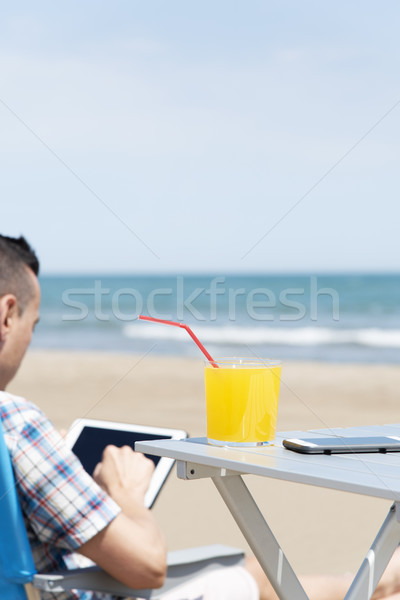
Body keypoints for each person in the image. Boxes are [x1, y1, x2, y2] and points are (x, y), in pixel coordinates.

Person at [1, 233, 399, 600]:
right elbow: (147, 567)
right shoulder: (17, 424)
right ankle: (378, 585)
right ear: (7, 315)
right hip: (75, 591)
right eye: (31, 326)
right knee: (238, 578)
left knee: (253, 571)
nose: (30, 340)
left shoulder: (18, 435)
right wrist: (126, 495)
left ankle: (373, 585)